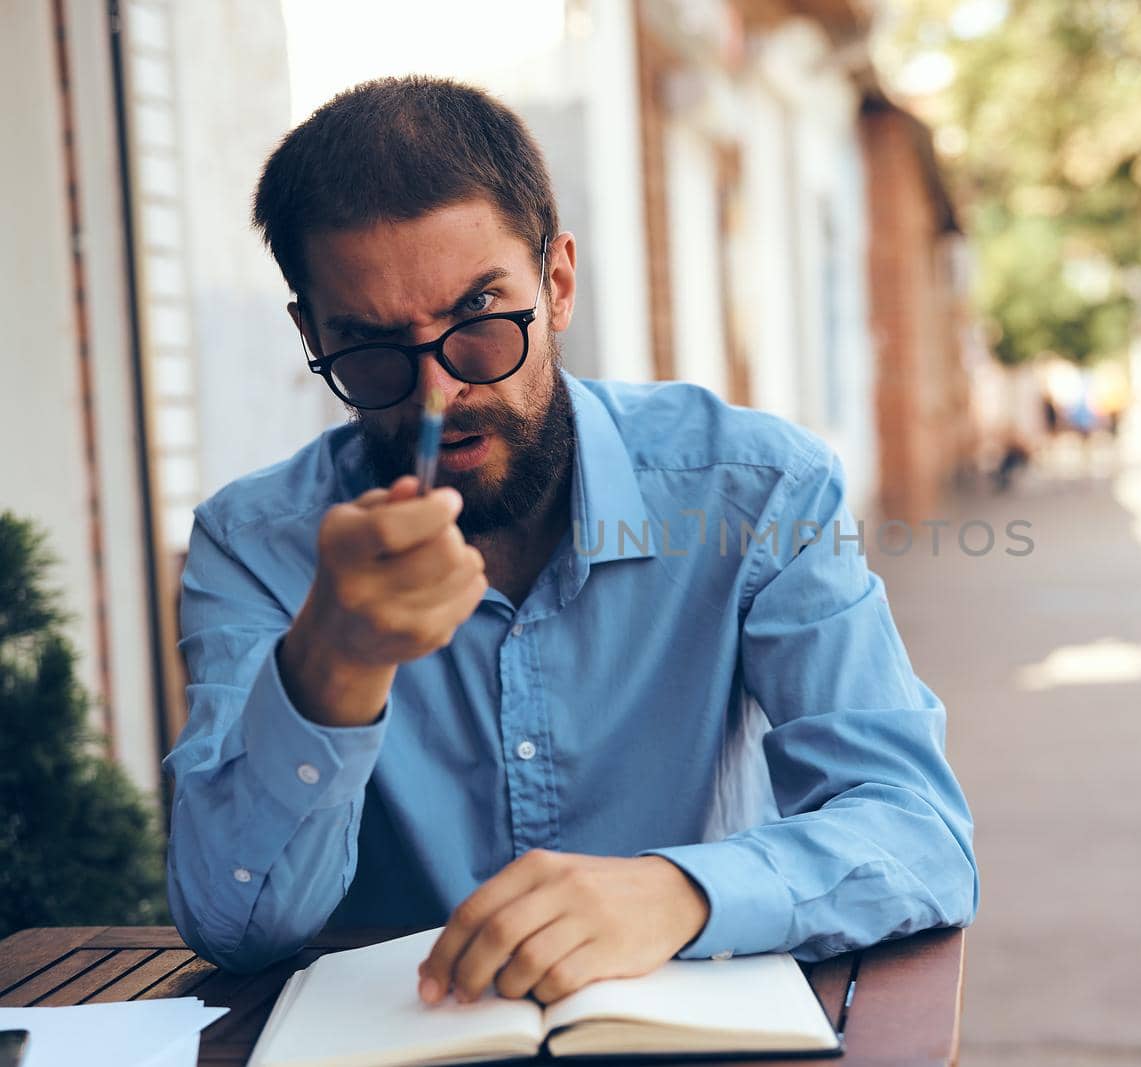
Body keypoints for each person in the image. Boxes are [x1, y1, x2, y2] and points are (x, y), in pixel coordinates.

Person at [162, 76, 977, 1007]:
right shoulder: (255, 545)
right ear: (311, 335)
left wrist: (677, 891)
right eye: (374, 349)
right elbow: (233, 928)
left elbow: (920, 834)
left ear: (556, 284)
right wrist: (331, 667)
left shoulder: (755, 494)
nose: (439, 394)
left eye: (479, 321)